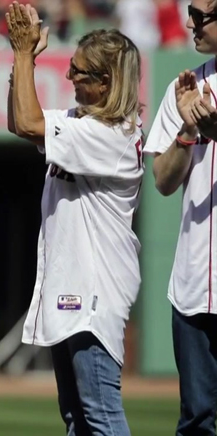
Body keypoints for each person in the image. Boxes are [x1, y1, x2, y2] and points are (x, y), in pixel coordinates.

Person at [6, 2, 145, 435]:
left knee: (101, 416)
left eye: (80, 73)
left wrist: (26, 53)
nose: (69, 79)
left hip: (94, 291)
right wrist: (20, 57)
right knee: (78, 419)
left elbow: (28, 122)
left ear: (106, 83)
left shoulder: (112, 135)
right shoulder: (82, 120)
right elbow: (18, 122)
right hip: (74, 287)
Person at [145, 1, 217, 434]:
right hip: (195, 283)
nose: (190, 22)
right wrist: (188, 134)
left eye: (201, 13)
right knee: (196, 421)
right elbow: (163, 181)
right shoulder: (187, 85)